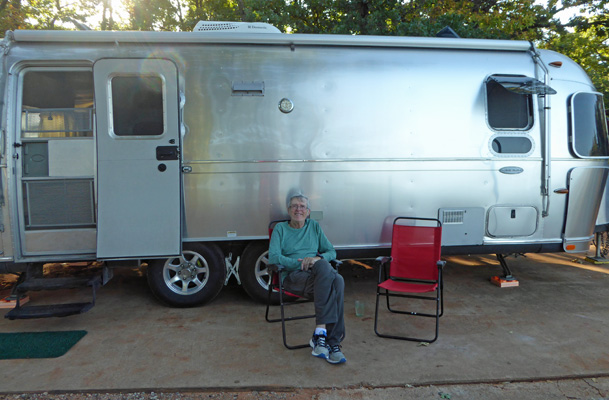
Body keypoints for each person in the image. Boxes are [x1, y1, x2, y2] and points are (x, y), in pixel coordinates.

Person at [269, 193, 346, 364]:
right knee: (336, 281)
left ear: (308, 211)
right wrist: (300, 263)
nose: (298, 209)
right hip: (293, 276)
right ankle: (331, 340)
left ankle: (322, 337)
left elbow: (331, 251)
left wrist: (316, 260)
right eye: (294, 206)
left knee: (330, 273)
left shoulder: (314, 226)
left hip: (316, 277)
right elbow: (273, 258)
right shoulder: (280, 229)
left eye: (302, 206)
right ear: (288, 210)